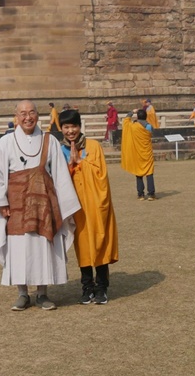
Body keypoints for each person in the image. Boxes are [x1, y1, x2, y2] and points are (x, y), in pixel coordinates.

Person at [0, 100, 80, 311]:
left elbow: (59, 173)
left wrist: (63, 205)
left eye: (31, 112)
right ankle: (22, 293)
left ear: (37, 115)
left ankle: (42, 293)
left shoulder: (49, 141)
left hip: (43, 202)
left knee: (42, 246)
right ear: (16, 116)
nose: (27, 117)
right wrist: (1, 202)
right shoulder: (6, 142)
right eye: (23, 113)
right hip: (15, 203)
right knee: (18, 247)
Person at [59, 109, 118, 305]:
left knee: (99, 242)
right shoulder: (59, 150)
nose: (70, 131)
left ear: (79, 126)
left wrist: (80, 162)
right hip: (75, 206)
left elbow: (101, 175)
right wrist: (69, 165)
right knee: (82, 246)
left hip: (95, 203)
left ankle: (102, 287)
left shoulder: (93, 146)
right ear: (61, 129)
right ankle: (87, 287)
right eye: (66, 127)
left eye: (73, 126)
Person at [121, 108, 156, 200]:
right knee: (149, 173)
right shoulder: (149, 126)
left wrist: (132, 112)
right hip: (147, 152)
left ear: (137, 116)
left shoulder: (133, 126)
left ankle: (140, 194)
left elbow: (126, 120)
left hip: (137, 152)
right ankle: (151, 194)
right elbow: (152, 132)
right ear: (146, 117)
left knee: (138, 173)